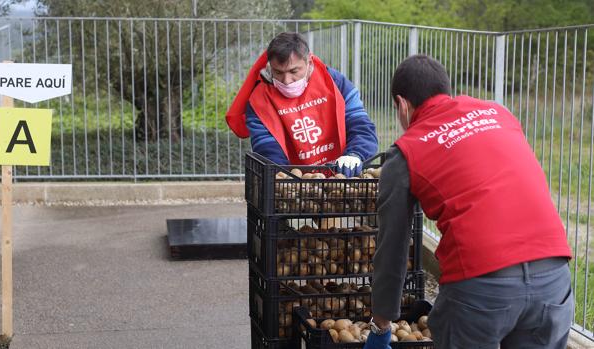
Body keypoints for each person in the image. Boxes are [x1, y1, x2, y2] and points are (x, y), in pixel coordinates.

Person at [365, 55, 573, 349]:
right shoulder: (499, 114)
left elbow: (392, 247)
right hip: (554, 278)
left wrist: (381, 324)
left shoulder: (406, 152)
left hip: (483, 288)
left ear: (401, 104)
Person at [226, 32, 378, 177]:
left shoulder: (336, 84)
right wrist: (285, 179)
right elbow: (266, 147)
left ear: (309, 63)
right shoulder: (259, 101)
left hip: (342, 176)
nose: (286, 80)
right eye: (278, 72)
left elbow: (360, 125)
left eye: (294, 71)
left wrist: (355, 154)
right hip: (295, 186)